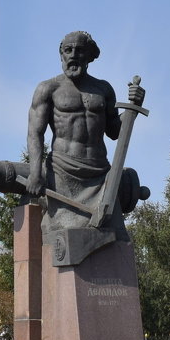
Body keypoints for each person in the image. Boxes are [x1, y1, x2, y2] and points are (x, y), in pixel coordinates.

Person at [25, 31, 144, 237]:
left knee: (115, 235)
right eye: (67, 50)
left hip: (100, 173)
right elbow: (35, 133)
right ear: (61, 54)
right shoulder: (48, 88)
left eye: (79, 51)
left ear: (90, 56)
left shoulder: (103, 89)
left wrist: (134, 106)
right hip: (63, 171)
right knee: (64, 236)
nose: (73, 55)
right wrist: (35, 173)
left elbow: (115, 131)